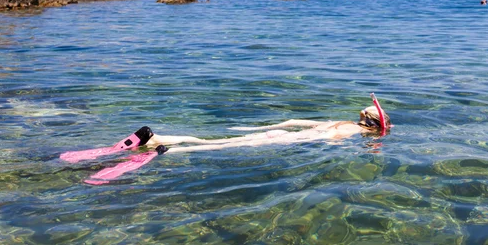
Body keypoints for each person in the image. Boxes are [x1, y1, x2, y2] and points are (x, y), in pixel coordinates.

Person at [144, 94, 391, 154]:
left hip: (280, 132)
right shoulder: (350, 132)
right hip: (285, 139)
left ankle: (160, 138)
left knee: (219, 141)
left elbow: (295, 121)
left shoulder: (339, 122)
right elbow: (318, 140)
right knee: (218, 147)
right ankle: (171, 151)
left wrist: (251, 128)